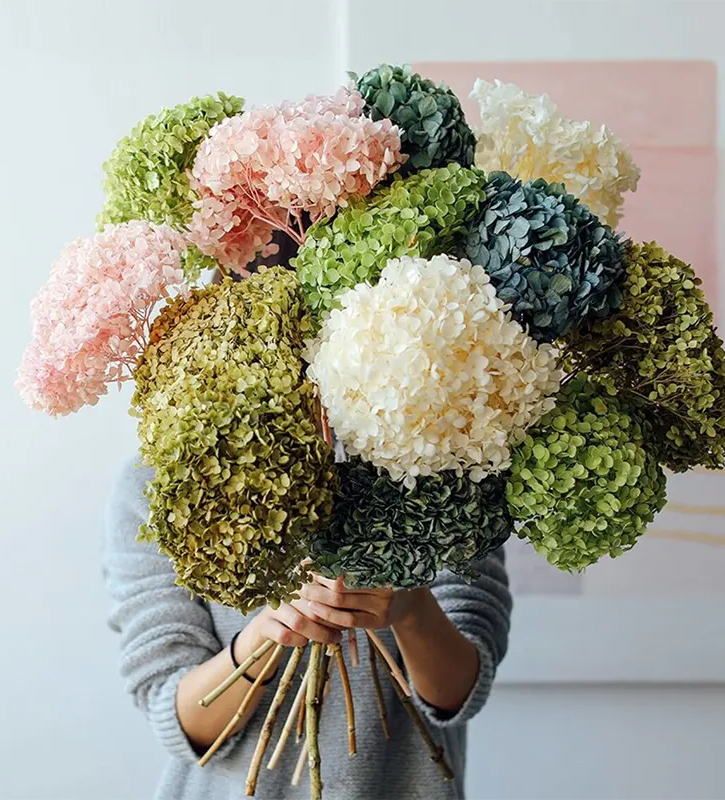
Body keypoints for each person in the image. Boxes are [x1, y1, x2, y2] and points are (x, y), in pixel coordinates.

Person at [101, 233, 513, 800]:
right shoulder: (154, 482)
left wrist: (412, 608)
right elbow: (176, 713)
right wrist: (262, 640)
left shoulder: (438, 455)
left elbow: (462, 690)